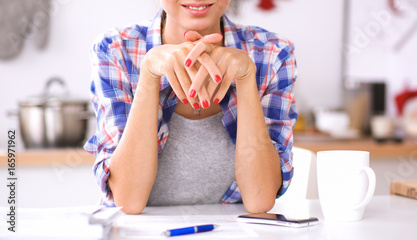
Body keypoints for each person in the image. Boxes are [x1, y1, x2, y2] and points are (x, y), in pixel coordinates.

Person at [84, 0, 297, 214]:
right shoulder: (115, 49)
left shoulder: (273, 53)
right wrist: (149, 74)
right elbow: (127, 202)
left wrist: (246, 78)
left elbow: (260, 200)